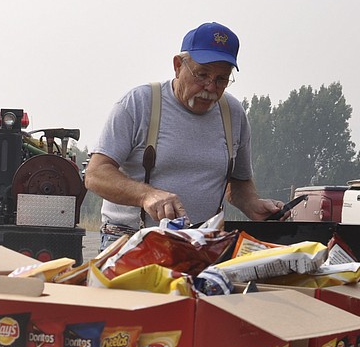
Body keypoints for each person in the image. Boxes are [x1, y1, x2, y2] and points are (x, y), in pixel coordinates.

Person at [85, 21, 284, 243]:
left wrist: (254, 205)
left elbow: (237, 185)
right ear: (178, 65)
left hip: (201, 244)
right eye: (202, 74)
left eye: (221, 79)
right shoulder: (139, 104)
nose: (210, 87)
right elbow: (95, 175)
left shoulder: (233, 114)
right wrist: (146, 195)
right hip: (131, 243)